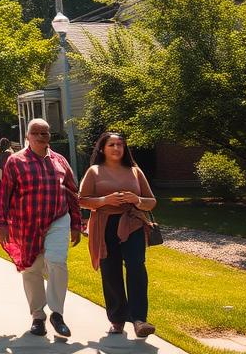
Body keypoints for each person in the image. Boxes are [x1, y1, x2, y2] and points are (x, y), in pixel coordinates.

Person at [0, 118, 82, 338]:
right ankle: (37, 316)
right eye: (37, 133)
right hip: (27, 224)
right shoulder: (16, 161)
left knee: (57, 262)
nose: (42, 137)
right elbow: (4, 195)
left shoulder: (60, 161)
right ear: (27, 136)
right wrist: (2, 224)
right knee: (32, 269)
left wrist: (75, 223)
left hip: (57, 219)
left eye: (45, 133)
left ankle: (57, 314)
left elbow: (72, 192)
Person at [79, 132, 157, 338]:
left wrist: (137, 199)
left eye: (120, 144)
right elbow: (82, 200)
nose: (116, 148)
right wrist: (105, 200)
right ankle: (117, 319)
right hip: (105, 225)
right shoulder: (94, 171)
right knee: (110, 270)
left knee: (136, 266)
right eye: (112, 144)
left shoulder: (135, 171)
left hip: (132, 223)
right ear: (102, 149)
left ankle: (140, 319)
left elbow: (151, 201)